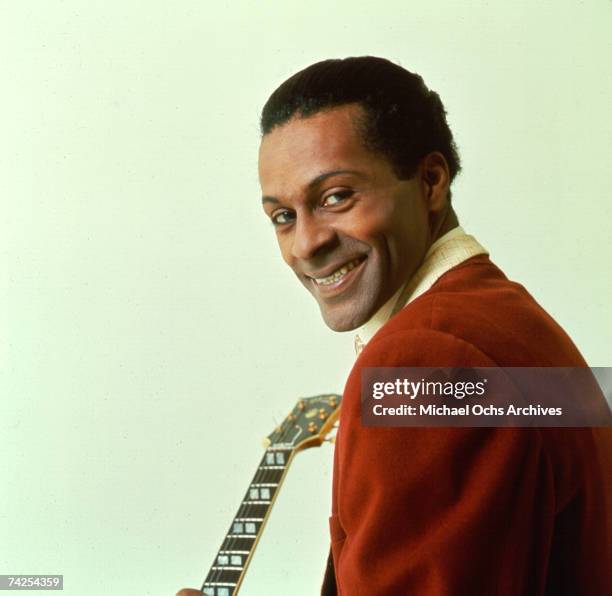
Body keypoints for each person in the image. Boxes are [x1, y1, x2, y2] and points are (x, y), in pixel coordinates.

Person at [178, 57, 611, 595]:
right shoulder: (506, 319)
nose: (307, 243)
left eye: (335, 197)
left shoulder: (424, 360)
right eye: (283, 216)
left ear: (430, 181)